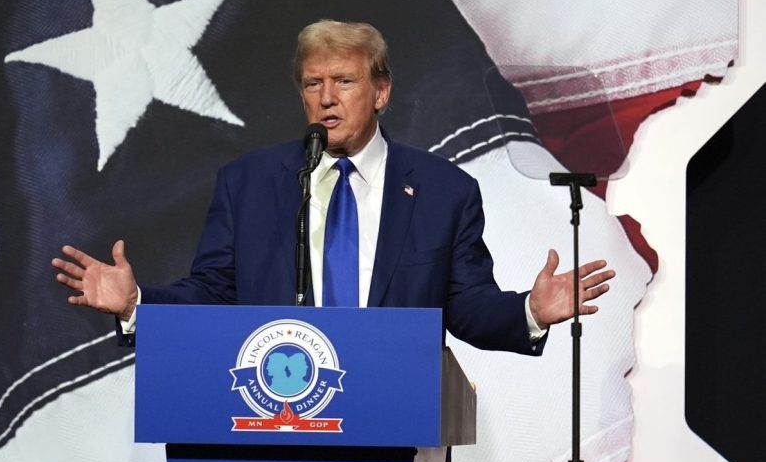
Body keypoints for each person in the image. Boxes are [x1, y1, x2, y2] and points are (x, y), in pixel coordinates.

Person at [52, 19, 613, 352]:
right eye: (312, 84)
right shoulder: (249, 184)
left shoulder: (444, 192)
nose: (326, 98)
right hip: (271, 430)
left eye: (344, 81)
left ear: (382, 91)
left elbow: (464, 306)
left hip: (394, 432)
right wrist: (138, 305)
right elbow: (214, 294)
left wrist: (530, 313)